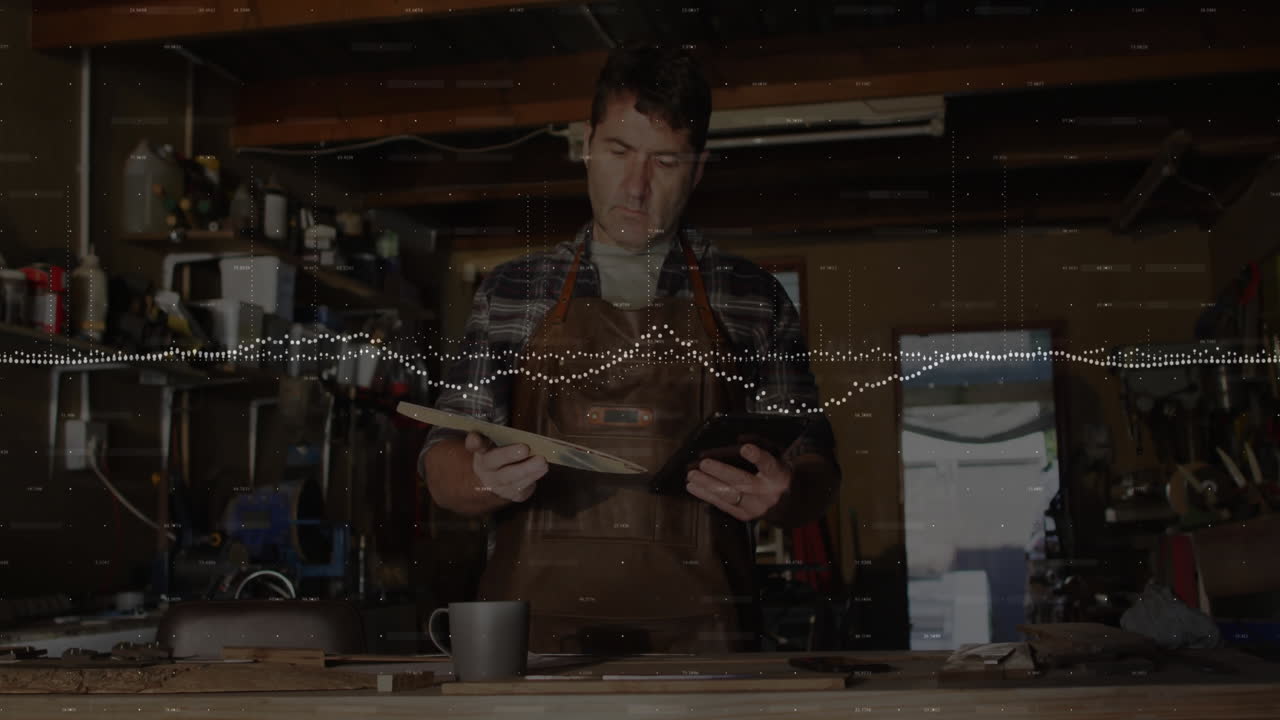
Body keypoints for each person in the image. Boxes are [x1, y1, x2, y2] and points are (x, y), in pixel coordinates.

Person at [420, 46, 841, 653]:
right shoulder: (512, 292)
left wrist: (785, 492)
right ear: (587, 145)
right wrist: (481, 478)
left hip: (707, 654)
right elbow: (441, 458)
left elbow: (815, 461)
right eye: (619, 152)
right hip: (535, 653)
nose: (637, 187)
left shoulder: (752, 298)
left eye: (665, 161)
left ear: (696, 170)